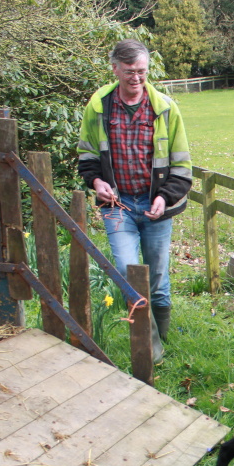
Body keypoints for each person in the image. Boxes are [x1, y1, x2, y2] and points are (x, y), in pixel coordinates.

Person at [77, 39, 192, 362]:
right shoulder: (99, 107)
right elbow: (87, 156)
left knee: (156, 279)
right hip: (118, 207)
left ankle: (164, 335)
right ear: (115, 69)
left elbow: (183, 166)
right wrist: (97, 181)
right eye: (129, 72)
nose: (137, 78)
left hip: (155, 207)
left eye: (142, 71)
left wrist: (164, 198)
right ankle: (151, 350)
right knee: (130, 275)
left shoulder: (165, 109)